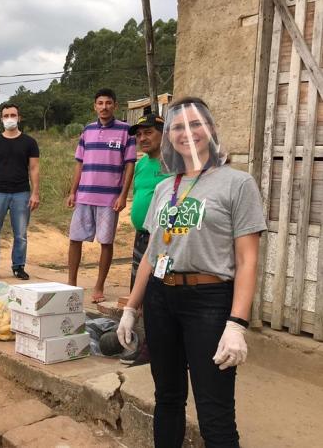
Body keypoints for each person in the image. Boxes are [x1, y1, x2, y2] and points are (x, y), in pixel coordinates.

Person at [116, 97, 266, 447]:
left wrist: (236, 324)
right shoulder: (165, 187)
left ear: (211, 129)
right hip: (160, 299)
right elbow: (153, 254)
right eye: (178, 127)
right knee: (167, 398)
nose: (187, 133)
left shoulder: (237, 184)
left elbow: (247, 260)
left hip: (209, 303)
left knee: (214, 411)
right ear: (170, 136)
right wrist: (130, 307)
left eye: (195, 124)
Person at [66, 88, 136, 302]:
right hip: (85, 195)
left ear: (115, 105)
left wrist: (123, 195)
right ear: (94, 106)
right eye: (100, 103)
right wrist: (72, 192)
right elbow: (80, 164)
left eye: (108, 103)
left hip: (109, 199)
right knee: (74, 239)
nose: (104, 107)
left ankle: (99, 287)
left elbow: (130, 165)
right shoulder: (87, 131)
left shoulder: (126, 131)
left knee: (106, 242)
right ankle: (71, 284)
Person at [122, 112, 169, 367]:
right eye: (139, 135)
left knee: (156, 294)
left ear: (164, 133)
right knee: (137, 292)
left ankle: (154, 349)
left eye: (148, 132)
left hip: (163, 238)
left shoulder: (173, 164)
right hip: (141, 237)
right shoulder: (141, 165)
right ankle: (138, 343)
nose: (142, 138)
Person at [0, 103, 40, 280]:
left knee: (20, 234)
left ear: (19, 118)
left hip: (21, 193)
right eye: (6, 116)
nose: (9, 118)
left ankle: (18, 266)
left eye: (13, 115)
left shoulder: (29, 142)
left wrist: (35, 193)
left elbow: (34, 168)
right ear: (1, 119)